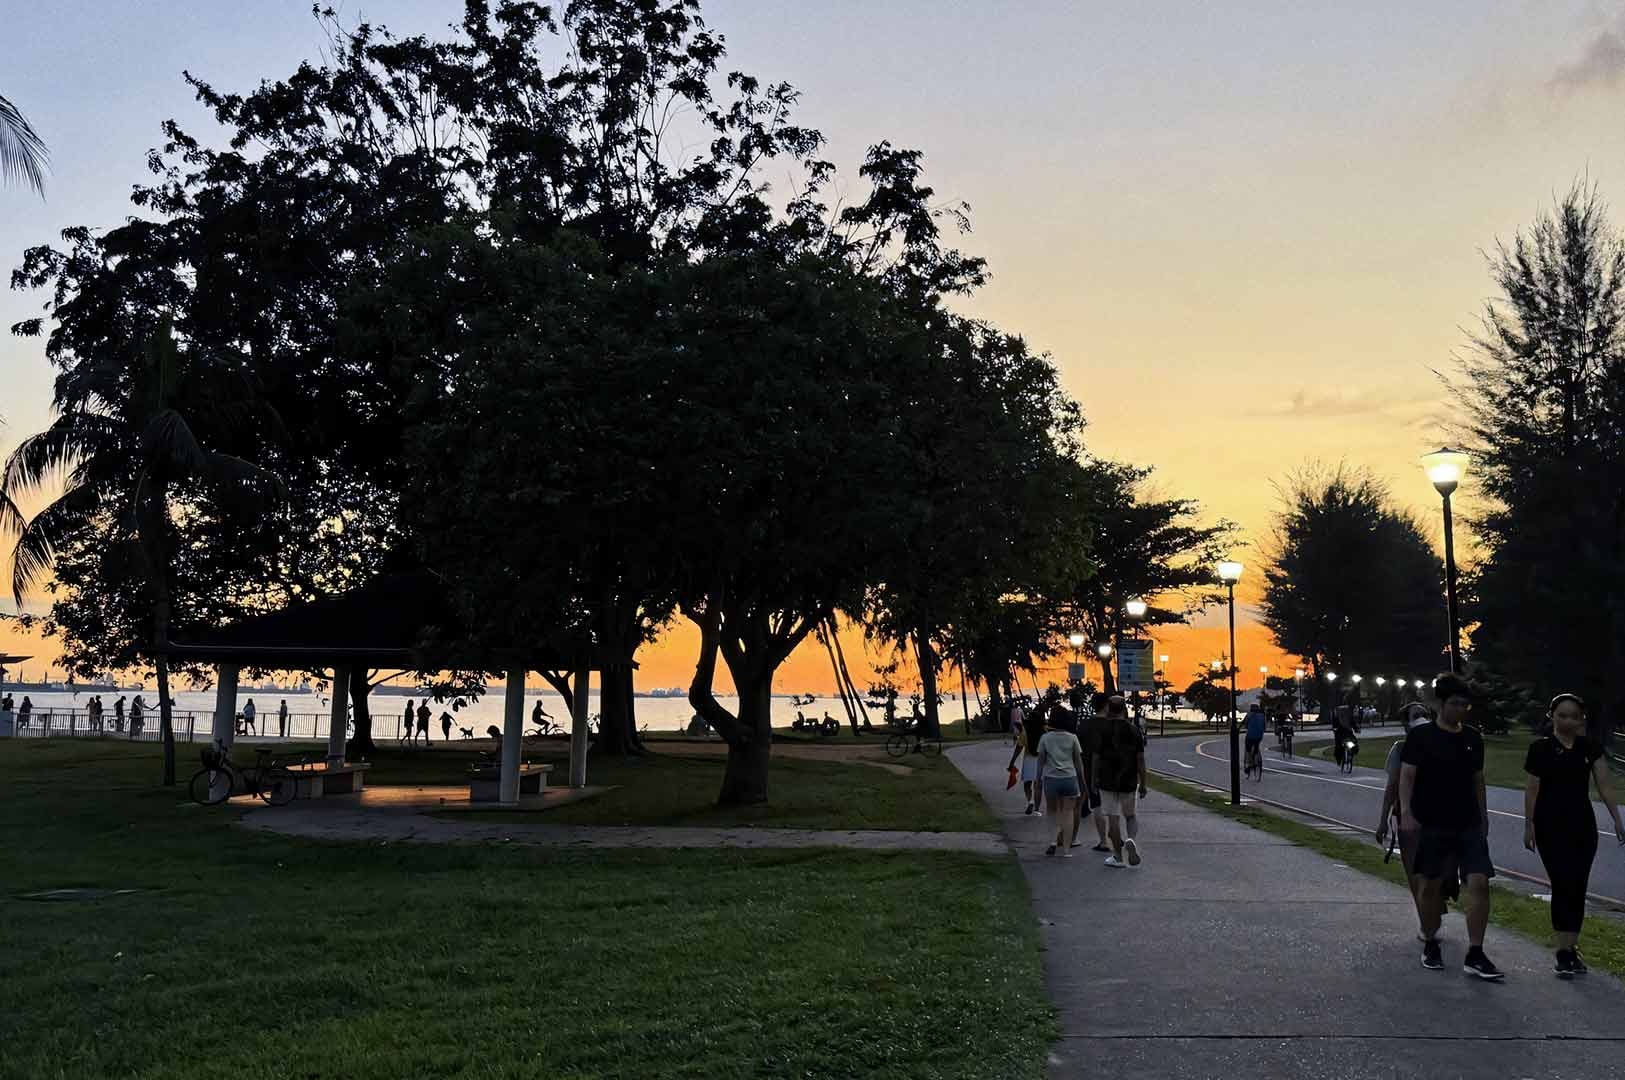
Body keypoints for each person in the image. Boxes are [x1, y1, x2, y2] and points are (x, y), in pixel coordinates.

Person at [1400, 673, 1500, 980]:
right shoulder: (1421, 737)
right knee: (1429, 887)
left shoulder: (1472, 738)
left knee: (1480, 883)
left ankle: (1476, 952)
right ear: (1440, 704)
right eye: (1456, 704)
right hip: (1432, 823)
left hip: (1467, 823)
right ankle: (1430, 941)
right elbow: (1407, 776)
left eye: (1465, 705)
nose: (1461, 710)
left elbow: (1477, 780)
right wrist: (1406, 813)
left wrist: (1483, 816)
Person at [1523, 693, 1625, 977]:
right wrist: (1528, 824)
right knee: (1562, 883)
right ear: (1552, 716)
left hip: (1582, 826)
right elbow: (1532, 788)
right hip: (1549, 826)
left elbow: (1604, 784)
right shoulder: (1540, 749)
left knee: (1577, 886)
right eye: (1562, 715)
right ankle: (1562, 950)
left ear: (1582, 719)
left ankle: (1571, 949)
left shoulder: (1589, 747)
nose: (1568, 720)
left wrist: (1617, 819)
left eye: (1574, 716)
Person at [1376, 702, 1436, 939]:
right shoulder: (1400, 749)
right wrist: (1383, 821)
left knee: (1436, 872)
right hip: (1408, 818)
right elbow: (1391, 787)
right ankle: (1426, 922)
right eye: (1415, 715)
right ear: (1405, 723)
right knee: (1414, 872)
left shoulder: (1440, 744)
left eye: (1424, 714)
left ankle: (1432, 909)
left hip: (1438, 819)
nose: (1420, 718)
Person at [1094, 696, 1148, 868]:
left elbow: (1096, 757)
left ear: (1109, 709)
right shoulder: (1134, 730)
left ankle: (1118, 856)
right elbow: (1140, 759)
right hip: (1129, 779)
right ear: (1124, 709)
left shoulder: (1103, 730)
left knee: (1113, 819)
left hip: (1107, 779)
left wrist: (1093, 778)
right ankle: (1131, 839)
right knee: (1130, 816)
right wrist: (1144, 782)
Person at [1038, 709, 1087, 857]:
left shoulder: (1045, 738)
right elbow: (1079, 764)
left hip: (1051, 779)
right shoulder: (1072, 738)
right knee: (1068, 814)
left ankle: (1053, 842)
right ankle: (1066, 849)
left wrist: (1037, 780)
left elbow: (1040, 762)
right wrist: (1083, 782)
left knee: (1052, 812)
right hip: (1069, 779)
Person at [1008, 708, 1046, 816]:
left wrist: (1012, 762)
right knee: (1038, 786)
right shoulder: (1044, 731)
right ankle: (1037, 809)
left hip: (1028, 760)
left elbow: (1019, 748)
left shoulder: (1025, 731)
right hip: (1040, 761)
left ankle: (1030, 801)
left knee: (1027, 784)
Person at [1243, 701, 1267, 772]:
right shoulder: (1262, 715)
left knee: (1248, 749)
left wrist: (1247, 727)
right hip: (1259, 736)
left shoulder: (1249, 715)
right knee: (1256, 745)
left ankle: (1249, 764)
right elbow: (1264, 726)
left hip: (1250, 736)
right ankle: (1256, 757)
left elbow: (1245, 724)